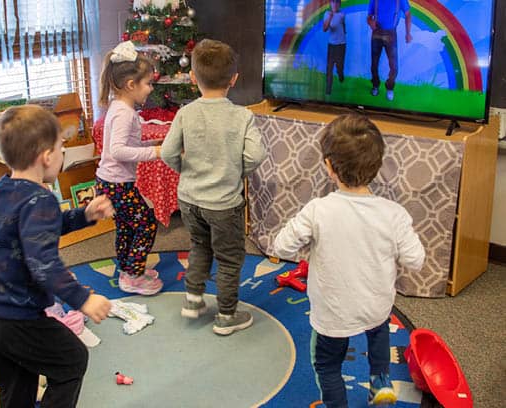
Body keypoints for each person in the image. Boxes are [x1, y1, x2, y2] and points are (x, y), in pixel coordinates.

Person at [271, 114, 425, 407]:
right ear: (378, 166)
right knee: (378, 327)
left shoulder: (317, 210)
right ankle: (380, 380)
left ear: (329, 166)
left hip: (333, 312)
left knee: (327, 364)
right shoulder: (394, 214)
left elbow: (282, 245)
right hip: (375, 304)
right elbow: (415, 260)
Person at [0, 104, 113, 408]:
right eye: (62, 148)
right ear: (47, 156)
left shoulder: (2, 189)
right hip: (15, 319)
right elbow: (43, 263)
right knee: (72, 359)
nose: (62, 155)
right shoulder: (41, 199)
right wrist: (82, 299)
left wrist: (83, 215)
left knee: (19, 382)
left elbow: (37, 232)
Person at [161, 39, 266, 336]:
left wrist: (187, 171)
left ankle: (193, 299)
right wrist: (235, 171)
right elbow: (256, 156)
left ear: (193, 78)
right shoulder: (242, 116)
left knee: (199, 245)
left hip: (190, 200)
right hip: (223, 203)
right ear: (233, 79)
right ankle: (227, 315)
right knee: (230, 258)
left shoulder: (185, 113)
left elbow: (168, 152)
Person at [95, 40, 164, 296]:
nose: (151, 88)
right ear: (131, 85)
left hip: (109, 181)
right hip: (117, 184)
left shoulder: (120, 108)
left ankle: (127, 267)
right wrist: (154, 152)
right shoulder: (124, 112)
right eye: (148, 83)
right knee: (146, 223)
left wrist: (151, 142)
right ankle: (133, 275)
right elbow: (118, 151)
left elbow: (127, 143)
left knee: (126, 226)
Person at [367, 0, 412, 101]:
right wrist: (370, 22)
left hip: (391, 34)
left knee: (394, 67)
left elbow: (408, 14)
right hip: (376, 33)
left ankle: (390, 87)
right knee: (374, 64)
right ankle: (375, 85)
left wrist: (408, 33)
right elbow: (369, 16)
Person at [323, 0, 346, 96]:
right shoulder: (327, 14)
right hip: (331, 45)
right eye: (333, 2)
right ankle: (328, 91)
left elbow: (343, 25)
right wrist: (330, 17)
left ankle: (340, 74)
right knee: (329, 68)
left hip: (341, 45)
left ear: (339, 4)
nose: (335, 4)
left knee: (339, 65)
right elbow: (324, 29)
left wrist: (344, 32)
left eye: (337, 2)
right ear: (330, 4)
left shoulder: (342, 14)